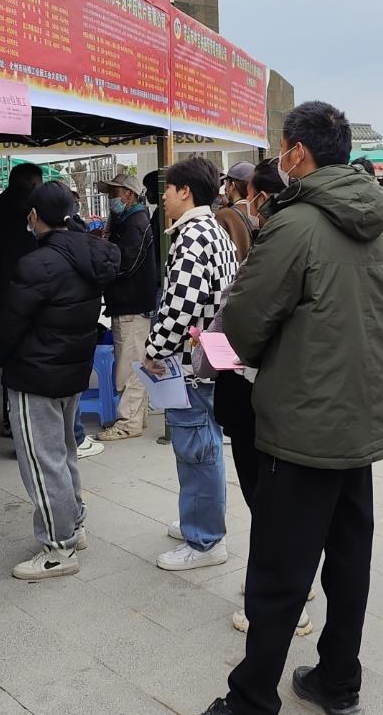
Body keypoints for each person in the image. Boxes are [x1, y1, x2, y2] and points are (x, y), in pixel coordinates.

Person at [201, 101, 383, 715]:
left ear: (298, 153)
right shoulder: (376, 221)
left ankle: (251, 698)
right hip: (358, 419)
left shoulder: (296, 224)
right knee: (347, 559)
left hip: (304, 422)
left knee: (279, 572)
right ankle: (339, 679)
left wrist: (219, 340)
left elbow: (245, 324)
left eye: (282, 149)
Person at [0, 182, 119, 580]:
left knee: (43, 461)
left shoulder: (39, 263)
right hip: (71, 370)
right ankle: (73, 524)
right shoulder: (90, 254)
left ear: (34, 216)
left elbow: (9, 325)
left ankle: (58, 548)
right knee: (63, 453)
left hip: (35, 374)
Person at [212, 158, 315, 638]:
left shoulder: (280, 246)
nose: (245, 202)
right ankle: (293, 586)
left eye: (250, 193)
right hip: (284, 392)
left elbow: (250, 323)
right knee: (277, 501)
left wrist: (218, 339)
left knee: (269, 500)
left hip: (260, 391)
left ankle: (281, 602)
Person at [145, 157, 239, 571]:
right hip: (212, 361)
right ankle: (199, 522)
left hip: (191, 365)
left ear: (185, 192)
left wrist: (153, 351)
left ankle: (204, 541)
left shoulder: (192, 236)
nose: (162, 198)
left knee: (197, 450)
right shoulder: (214, 230)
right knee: (206, 446)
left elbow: (179, 307)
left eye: (167, 189)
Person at [93, 173, 160, 442]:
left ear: (129, 195)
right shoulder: (129, 220)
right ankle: (135, 417)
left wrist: (102, 258)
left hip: (132, 305)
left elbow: (126, 264)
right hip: (129, 303)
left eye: (114, 193)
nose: (111, 199)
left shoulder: (136, 222)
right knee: (133, 363)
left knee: (129, 366)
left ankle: (128, 422)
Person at [0, 162, 46, 438]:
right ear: (33, 185)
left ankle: (12, 418)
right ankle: (25, 422)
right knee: (28, 359)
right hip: (27, 297)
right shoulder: (31, 218)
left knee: (6, 359)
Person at [214, 162, 254, 263]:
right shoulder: (259, 213)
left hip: (234, 275)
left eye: (226, 182)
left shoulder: (224, 215)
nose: (225, 187)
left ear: (232, 185)